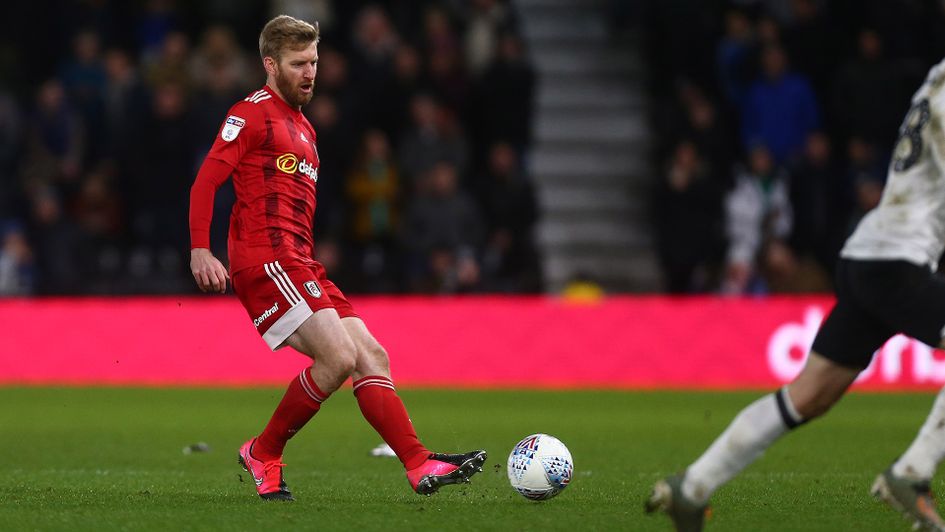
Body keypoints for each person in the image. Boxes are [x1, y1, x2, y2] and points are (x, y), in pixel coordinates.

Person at [188, 15, 485, 502]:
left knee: (372, 356)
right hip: (266, 259)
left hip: (300, 261)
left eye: (314, 62)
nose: (309, 73)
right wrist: (201, 249)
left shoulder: (305, 128)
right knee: (339, 357)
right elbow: (207, 180)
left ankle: (418, 462)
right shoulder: (251, 113)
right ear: (270, 65)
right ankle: (263, 452)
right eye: (298, 64)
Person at [647, 57, 945, 531]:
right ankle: (913, 471)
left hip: (869, 254)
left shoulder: (935, 80)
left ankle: (693, 487)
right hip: (897, 262)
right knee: (807, 396)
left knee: (808, 396)